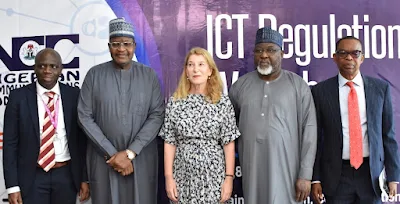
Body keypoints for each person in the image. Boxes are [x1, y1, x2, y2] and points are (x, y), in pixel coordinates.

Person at [77, 17, 164, 204]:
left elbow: (157, 115)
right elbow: (84, 116)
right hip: (104, 161)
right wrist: (112, 154)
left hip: (141, 159)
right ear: (109, 46)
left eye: (126, 44)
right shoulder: (94, 75)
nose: (121, 49)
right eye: (116, 44)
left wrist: (130, 153)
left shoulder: (149, 76)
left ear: (134, 45)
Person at [228, 27, 317, 203]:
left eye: (271, 50)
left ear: (282, 53)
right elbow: (227, 131)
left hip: (288, 172)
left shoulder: (298, 86)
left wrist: (306, 175)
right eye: (259, 50)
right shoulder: (240, 87)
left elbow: (310, 131)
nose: (264, 55)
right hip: (252, 169)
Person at [311, 36, 400, 204]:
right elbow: (315, 138)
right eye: (343, 53)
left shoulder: (380, 89)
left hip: (371, 175)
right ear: (334, 57)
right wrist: (315, 179)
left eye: (355, 53)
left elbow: (388, 135)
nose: (349, 58)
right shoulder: (320, 91)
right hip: (336, 176)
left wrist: (394, 177)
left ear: (362, 57)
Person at [3, 48, 89, 204]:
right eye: (42, 66)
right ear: (34, 68)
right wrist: (12, 186)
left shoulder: (74, 95)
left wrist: (84, 179)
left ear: (60, 69)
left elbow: (81, 142)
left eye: (53, 66)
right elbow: (10, 144)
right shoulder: (18, 97)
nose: (47, 70)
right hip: (31, 176)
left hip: (66, 175)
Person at [159, 47, 240, 203]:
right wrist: (169, 178)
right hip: (183, 177)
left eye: (201, 64)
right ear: (186, 71)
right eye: (191, 65)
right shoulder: (175, 103)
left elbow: (228, 143)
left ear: (210, 70)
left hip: (214, 178)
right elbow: (170, 142)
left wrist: (229, 179)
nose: (196, 69)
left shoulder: (222, 103)